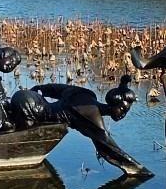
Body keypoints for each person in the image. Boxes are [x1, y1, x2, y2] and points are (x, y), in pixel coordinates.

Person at [9, 75, 151, 177]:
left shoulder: (86, 94)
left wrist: (40, 89)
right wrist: (138, 169)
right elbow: (108, 147)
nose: (122, 114)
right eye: (122, 109)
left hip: (28, 97)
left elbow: (58, 89)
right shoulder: (92, 114)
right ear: (114, 104)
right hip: (32, 108)